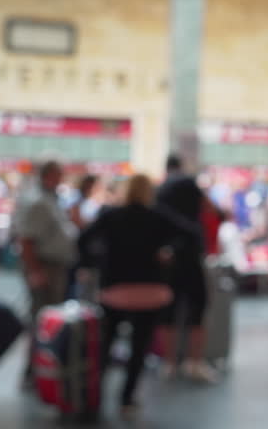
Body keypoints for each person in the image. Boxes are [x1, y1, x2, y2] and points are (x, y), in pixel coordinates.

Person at [79, 174, 199, 417]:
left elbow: (82, 240)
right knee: (139, 347)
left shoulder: (110, 215)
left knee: (106, 344)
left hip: (115, 289)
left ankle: (94, 398)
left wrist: (96, 262)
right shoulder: (158, 216)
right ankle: (127, 399)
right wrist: (169, 252)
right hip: (150, 291)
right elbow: (192, 234)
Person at [13, 160, 77, 387]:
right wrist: (35, 271)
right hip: (45, 266)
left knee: (48, 320)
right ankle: (35, 369)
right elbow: (26, 240)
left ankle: (43, 366)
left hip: (54, 265)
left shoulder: (50, 199)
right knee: (42, 320)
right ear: (50, 175)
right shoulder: (38, 201)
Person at [155, 154, 219, 382]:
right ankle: (194, 363)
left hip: (168, 256)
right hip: (191, 253)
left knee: (168, 311)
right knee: (197, 308)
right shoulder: (189, 183)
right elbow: (210, 208)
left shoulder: (160, 189)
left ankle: (169, 364)